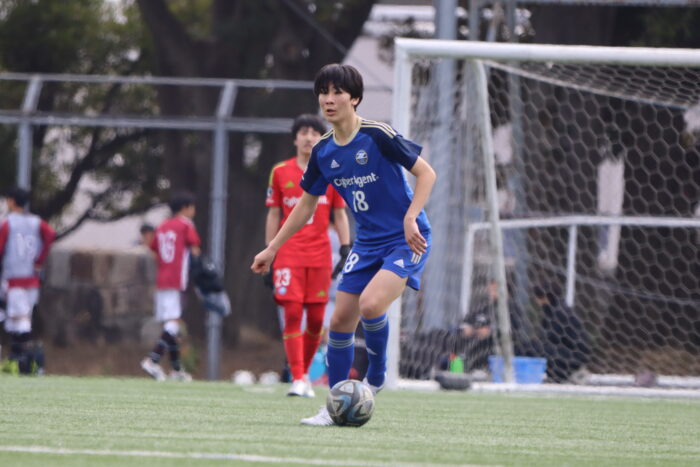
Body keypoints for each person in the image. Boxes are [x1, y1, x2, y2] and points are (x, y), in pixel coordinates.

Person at [252, 63, 436, 425]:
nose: (329, 99)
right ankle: (333, 406)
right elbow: (305, 206)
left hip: (406, 239)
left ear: (355, 98)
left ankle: (377, 375)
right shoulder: (323, 151)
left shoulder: (377, 135)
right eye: (324, 92)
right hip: (366, 244)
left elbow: (426, 173)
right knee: (338, 322)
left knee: (371, 305)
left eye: (337, 92)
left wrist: (411, 216)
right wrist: (272, 248)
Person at [264, 113, 350, 398]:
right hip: (288, 254)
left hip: (320, 256)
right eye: (303, 132)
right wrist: (269, 251)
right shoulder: (280, 172)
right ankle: (298, 376)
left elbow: (340, 213)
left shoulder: (332, 170)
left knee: (315, 320)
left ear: (321, 138)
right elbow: (273, 213)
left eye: (314, 133)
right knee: (291, 313)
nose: (308, 137)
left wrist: (345, 247)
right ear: (295, 138)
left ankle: (306, 375)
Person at [141, 191, 201, 382]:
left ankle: (176, 370)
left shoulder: (163, 226)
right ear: (186, 208)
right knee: (174, 323)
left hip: (162, 278)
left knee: (170, 324)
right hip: (176, 279)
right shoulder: (185, 224)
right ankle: (152, 360)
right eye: (192, 207)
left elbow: (153, 250)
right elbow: (195, 249)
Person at [0, 187, 55, 375]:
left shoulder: (8, 223)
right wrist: (39, 260)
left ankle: (24, 361)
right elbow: (50, 235)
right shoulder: (36, 222)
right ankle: (18, 360)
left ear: (12, 201)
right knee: (22, 318)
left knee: (18, 320)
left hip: (15, 277)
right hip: (32, 278)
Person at [534, 284, 591, 383]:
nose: (536, 301)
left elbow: (554, 337)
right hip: (566, 350)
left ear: (545, 298)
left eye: (538, 297)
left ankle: (568, 374)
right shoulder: (551, 310)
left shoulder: (559, 313)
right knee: (538, 348)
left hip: (575, 354)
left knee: (541, 349)